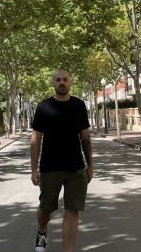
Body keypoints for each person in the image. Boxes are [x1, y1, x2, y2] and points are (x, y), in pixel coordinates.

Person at [31, 70, 93, 252]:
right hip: (50, 168)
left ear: (70, 82)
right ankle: (42, 231)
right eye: (58, 80)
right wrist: (34, 169)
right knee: (46, 210)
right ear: (53, 83)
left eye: (65, 79)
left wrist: (90, 165)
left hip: (76, 168)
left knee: (72, 211)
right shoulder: (43, 107)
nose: (62, 83)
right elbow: (36, 139)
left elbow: (85, 137)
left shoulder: (79, 106)